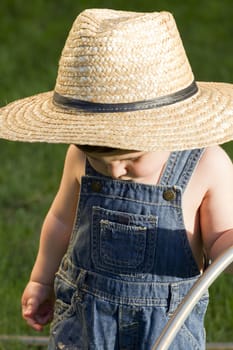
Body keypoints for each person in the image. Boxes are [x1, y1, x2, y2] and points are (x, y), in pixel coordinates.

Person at [1, 8, 233, 349]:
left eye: (132, 159)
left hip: (165, 328)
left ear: (172, 126)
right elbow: (61, 220)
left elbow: (222, 235)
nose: (114, 170)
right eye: (101, 159)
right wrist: (40, 279)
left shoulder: (206, 164)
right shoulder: (79, 156)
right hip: (84, 322)